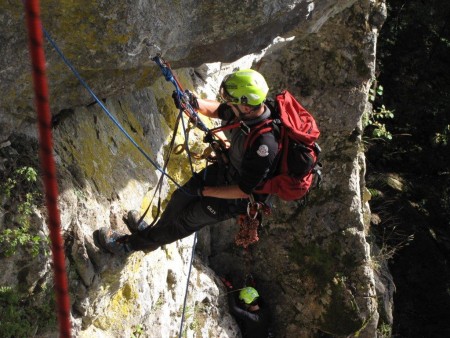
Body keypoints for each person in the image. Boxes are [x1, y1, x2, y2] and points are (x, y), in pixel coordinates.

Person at [96, 69, 279, 254]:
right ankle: (152, 236)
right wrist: (193, 103)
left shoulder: (264, 146)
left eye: (232, 103)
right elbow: (220, 110)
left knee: (184, 222)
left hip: (234, 199)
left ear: (246, 107)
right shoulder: (246, 112)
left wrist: (206, 191)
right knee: (180, 198)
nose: (229, 106)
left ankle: (130, 245)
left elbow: (243, 189)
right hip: (225, 172)